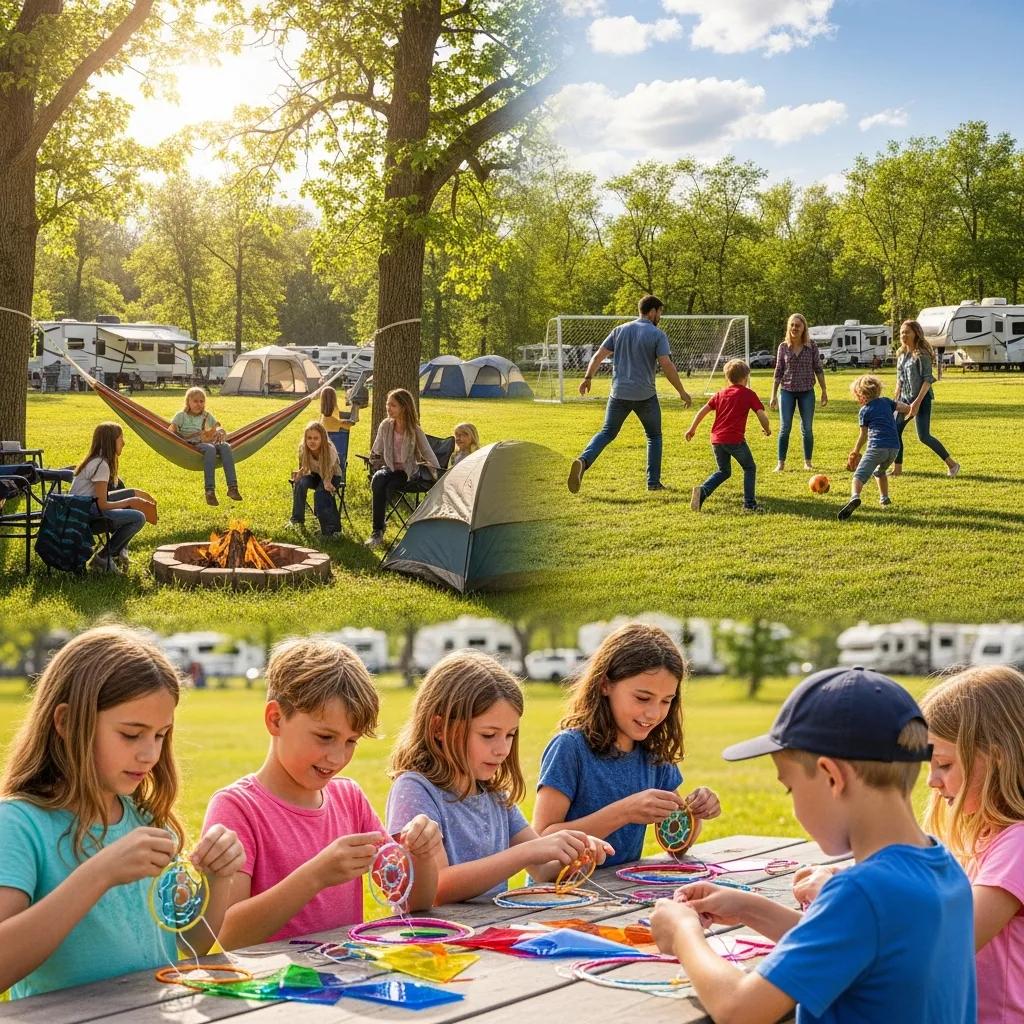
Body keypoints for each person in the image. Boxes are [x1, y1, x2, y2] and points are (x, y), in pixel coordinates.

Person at [649, 666, 976, 1024]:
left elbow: (738, 1010)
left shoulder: (861, 893)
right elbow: (857, 944)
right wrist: (749, 908)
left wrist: (683, 932)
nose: (793, 802)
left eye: (791, 788)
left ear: (832, 777)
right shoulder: (942, 868)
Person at [0, 626, 245, 1000]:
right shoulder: (19, 825)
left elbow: (191, 941)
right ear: (65, 722)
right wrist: (99, 874)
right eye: (132, 734)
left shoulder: (145, 818)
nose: (150, 754)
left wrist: (217, 879)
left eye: (161, 735)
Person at [203, 636, 441, 948]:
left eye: (351, 741)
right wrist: (315, 876)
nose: (338, 757)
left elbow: (411, 903)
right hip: (273, 992)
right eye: (325, 737)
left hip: (342, 980)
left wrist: (422, 856)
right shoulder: (237, 808)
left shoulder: (350, 799)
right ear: (275, 719)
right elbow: (226, 936)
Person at [386, 650, 611, 903]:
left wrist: (575, 854)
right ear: (439, 728)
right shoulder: (416, 789)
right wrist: (527, 853)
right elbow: (438, 888)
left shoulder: (493, 795)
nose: (502, 749)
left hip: (488, 932)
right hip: (438, 939)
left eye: (510, 735)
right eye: (488, 735)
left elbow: (542, 868)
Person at [533, 623, 720, 867]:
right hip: (558, 895)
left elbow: (676, 844)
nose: (654, 713)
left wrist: (694, 813)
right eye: (642, 698)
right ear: (605, 684)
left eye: (666, 701)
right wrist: (624, 812)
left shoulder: (654, 755)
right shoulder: (570, 748)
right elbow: (541, 840)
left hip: (619, 893)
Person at [921, 666, 1024, 1024]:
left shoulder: (1018, 845)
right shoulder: (992, 835)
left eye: (944, 765)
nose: (932, 781)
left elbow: (945, 945)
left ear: (998, 756)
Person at [567, 295, 692, 494]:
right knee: (654, 436)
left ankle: (583, 460)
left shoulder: (619, 330)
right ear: (652, 311)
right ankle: (653, 483)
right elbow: (667, 365)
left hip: (618, 394)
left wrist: (588, 377)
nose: (660, 316)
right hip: (645, 396)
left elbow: (599, 355)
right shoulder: (657, 334)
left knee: (607, 433)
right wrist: (682, 392)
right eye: (659, 312)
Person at [685, 358, 771, 514]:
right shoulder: (749, 394)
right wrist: (767, 429)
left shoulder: (720, 394)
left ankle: (702, 492)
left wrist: (692, 429)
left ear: (727, 377)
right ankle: (749, 504)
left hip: (717, 440)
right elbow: (761, 415)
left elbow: (703, 411)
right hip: (735, 440)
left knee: (724, 471)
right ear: (745, 378)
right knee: (749, 467)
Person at [69, 422, 158, 574]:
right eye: (121, 438)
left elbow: (99, 498)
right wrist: (130, 502)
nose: (124, 442)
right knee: (138, 518)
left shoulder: (96, 460)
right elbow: (102, 504)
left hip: (81, 508)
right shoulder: (101, 465)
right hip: (85, 516)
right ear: (111, 441)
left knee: (130, 496)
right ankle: (104, 557)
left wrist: (134, 493)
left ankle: (120, 551)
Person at [365, 388, 440, 550]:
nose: (388, 408)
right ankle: (377, 531)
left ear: (404, 407)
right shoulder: (385, 426)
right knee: (378, 479)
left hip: (407, 473)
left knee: (390, 484)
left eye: (393, 405)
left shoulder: (414, 430)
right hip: (389, 468)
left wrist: (438, 474)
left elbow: (427, 452)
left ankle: (382, 527)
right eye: (387, 405)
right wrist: (373, 459)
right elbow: (376, 448)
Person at [892, 320, 960, 478]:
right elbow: (899, 381)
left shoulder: (921, 354)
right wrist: (894, 402)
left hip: (921, 400)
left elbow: (928, 380)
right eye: (902, 332)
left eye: (907, 332)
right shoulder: (902, 355)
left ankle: (952, 464)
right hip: (904, 400)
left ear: (916, 334)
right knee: (895, 431)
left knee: (924, 436)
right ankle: (897, 469)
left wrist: (916, 403)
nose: (903, 335)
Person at [837, 374, 911, 521]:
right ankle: (884, 498)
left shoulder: (864, 411)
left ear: (862, 395)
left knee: (858, 476)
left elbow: (863, 435)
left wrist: (855, 451)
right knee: (880, 471)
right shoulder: (886, 402)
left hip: (877, 447)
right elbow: (906, 408)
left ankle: (855, 497)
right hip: (894, 448)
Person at [769, 313, 828, 473]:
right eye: (792, 325)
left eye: (798, 325)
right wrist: (773, 394)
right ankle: (781, 463)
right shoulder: (783, 347)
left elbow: (818, 369)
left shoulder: (812, 346)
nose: (795, 328)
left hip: (807, 392)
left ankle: (807, 462)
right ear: (789, 327)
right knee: (785, 427)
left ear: (804, 328)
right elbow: (778, 371)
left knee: (807, 428)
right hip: (786, 391)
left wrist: (824, 390)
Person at [171, 387, 242, 507]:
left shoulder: (206, 415)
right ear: (188, 401)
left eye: (201, 401)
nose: (199, 404)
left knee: (225, 446)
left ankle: (232, 487)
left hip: (206, 441)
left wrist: (220, 430)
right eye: (195, 401)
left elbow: (216, 427)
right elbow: (170, 432)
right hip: (192, 444)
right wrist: (181, 441)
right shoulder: (181, 416)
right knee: (210, 449)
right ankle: (210, 491)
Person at [289, 421, 342, 536]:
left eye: (316, 438)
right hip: (316, 475)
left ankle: (331, 530)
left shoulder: (329, 450)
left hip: (332, 475)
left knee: (320, 493)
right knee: (300, 483)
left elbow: (329, 472)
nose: (312, 441)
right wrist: (299, 473)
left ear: (322, 438)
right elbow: (305, 467)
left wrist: (327, 483)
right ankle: (297, 519)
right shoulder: (303, 448)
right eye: (309, 438)